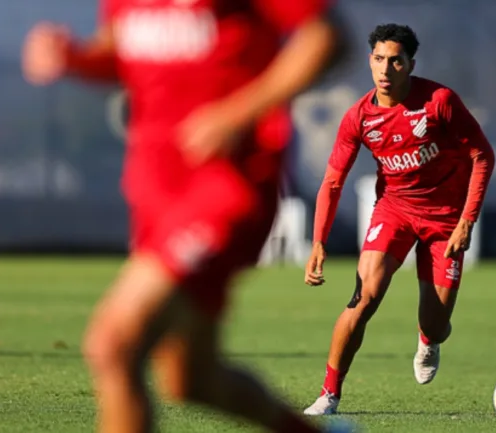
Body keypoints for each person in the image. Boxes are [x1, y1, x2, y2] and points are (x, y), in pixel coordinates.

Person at [21, 1, 353, 432]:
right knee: (191, 379)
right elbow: (127, 52)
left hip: (227, 184)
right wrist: (74, 57)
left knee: (114, 343)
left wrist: (239, 112)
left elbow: (326, 37)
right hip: (157, 193)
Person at [303, 23, 495, 416]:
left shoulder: (440, 101)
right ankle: (329, 394)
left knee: (437, 322)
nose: (385, 70)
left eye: (395, 61)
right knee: (363, 298)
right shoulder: (358, 116)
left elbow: (483, 156)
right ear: (369, 61)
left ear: (410, 64)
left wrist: (465, 222)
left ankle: (430, 338)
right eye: (378, 59)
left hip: (445, 221)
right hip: (395, 211)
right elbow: (333, 181)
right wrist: (318, 241)